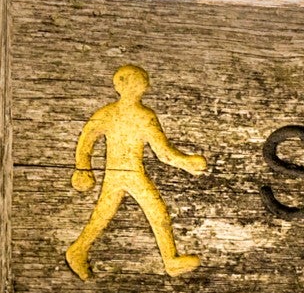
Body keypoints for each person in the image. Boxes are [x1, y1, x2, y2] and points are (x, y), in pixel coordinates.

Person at [64, 64, 207, 279]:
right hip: (121, 173)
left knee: (139, 213)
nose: (145, 85)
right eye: (139, 80)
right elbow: (87, 138)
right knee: (136, 213)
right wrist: (82, 167)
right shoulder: (109, 114)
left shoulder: (144, 116)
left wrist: (186, 163)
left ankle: (170, 259)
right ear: (123, 85)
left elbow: (162, 152)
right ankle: (169, 259)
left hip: (129, 173)